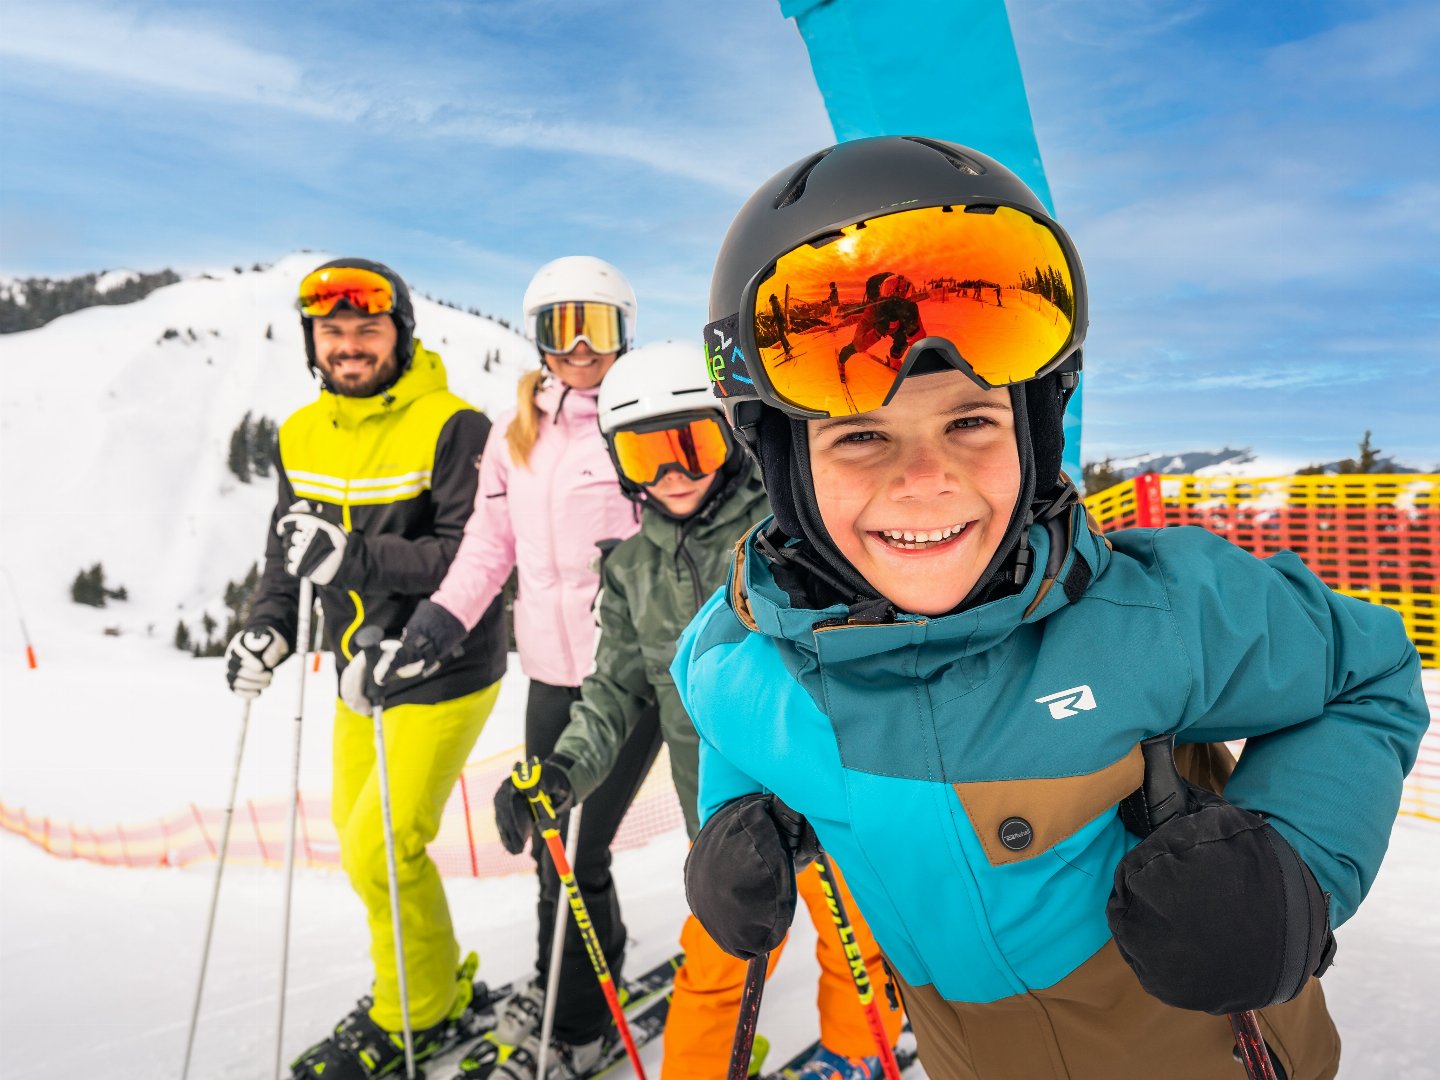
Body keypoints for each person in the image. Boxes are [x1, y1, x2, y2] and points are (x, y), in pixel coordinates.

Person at [676, 137, 1429, 1080]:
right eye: (861, 437)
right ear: (780, 462)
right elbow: (733, 737)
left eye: (972, 422)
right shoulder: (738, 659)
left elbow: (1371, 672)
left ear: (1034, 428)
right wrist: (732, 825)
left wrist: (1297, 867)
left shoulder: (1155, 616)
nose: (926, 482)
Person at [487, 340, 905, 1078]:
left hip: (827, 799)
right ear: (620, 464)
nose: (676, 472)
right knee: (716, 962)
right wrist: (562, 771)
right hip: (723, 818)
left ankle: (857, 1052)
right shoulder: (628, 574)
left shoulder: (790, 532)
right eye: (650, 458)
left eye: (694, 444)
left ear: (732, 437)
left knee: (854, 941)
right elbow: (613, 691)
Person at [224, 258, 508, 1079]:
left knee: (382, 849)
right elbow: (288, 556)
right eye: (333, 332)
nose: (349, 346)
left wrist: (353, 558)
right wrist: (268, 630)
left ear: (400, 334)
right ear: (313, 342)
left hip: (444, 665)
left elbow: (470, 559)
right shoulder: (301, 433)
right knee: (365, 854)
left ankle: (411, 1013)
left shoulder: (454, 427)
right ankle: (429, 986)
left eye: (366, 330)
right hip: (358, 675)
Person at [378, 256, 655, 1076]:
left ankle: (575, 1025)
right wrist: (441, 617)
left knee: (580, 847)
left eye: (596, 326)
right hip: (549, 673)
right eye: (558, 327)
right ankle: (575, 979)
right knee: (552, 846)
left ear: (624, 333)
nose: (578, 346)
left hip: (629, 674)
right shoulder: (516, 431)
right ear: (536, 337)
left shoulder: (640, 418)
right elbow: (489, 547)